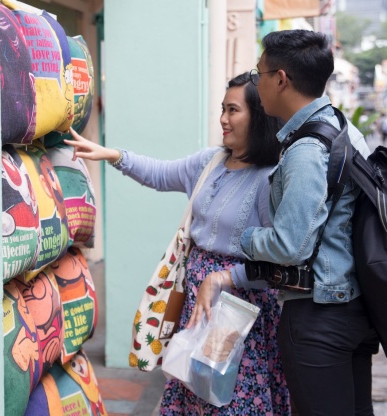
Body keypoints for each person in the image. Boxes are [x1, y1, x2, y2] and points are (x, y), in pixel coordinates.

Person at [65, 72, 291, 416]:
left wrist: (226, 278)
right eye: (222, 109)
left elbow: (279, 262)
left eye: (233, 110)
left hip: (238, 314)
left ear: (257, 117)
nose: (223, 119)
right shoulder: (211, 162)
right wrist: (110, 154)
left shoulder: (269, 178)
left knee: (228, 399)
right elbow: (159, 173)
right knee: (193, 389)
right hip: (197, 303)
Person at [240, 30, 379, 416]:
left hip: (319, 317)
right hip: (352, 305)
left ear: (280, 79)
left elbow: (290, 246)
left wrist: (247, 238)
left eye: (259, 73)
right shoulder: (343, 128)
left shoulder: (306, 149)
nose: (258, 83)